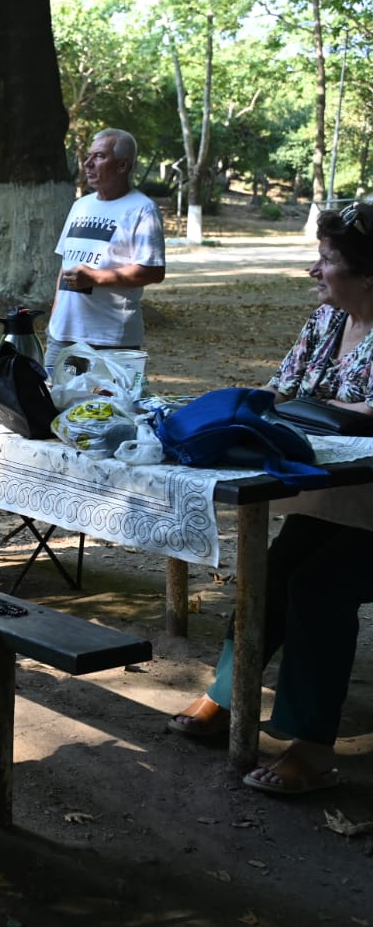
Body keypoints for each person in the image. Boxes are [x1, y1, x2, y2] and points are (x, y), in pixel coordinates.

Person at [166, 202, 373, 795]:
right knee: (273, 569)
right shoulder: (325, 323)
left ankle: (312, 749)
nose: (314, 271)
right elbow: (280, 391)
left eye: (327, 261)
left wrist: (314, 412)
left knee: (320, 585)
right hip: (339, 497)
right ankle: (228, 696)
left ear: (369, 276)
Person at [46, 128, 166, 374]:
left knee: (112, 410)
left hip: (112, 341)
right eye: (89, 156)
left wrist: (95, 277)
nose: (88, 163)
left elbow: (153, 271)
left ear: (122, 165)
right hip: (62, 336)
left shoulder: (142, 209)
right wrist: (55, 317)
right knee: (51, 407)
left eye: (99, 156)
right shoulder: (80, 206)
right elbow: (65, 266)